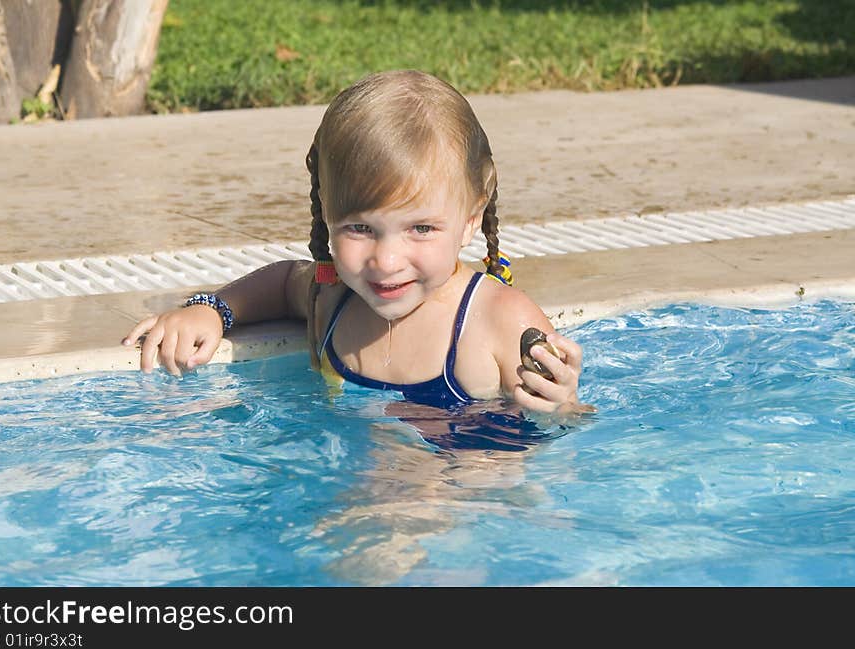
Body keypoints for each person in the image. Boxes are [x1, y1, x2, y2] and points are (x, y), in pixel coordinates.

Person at [122, 70, 592, 418]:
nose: (385, 261)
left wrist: (561, 406)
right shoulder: (335, 297)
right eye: (360, 229)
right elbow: (285, 281)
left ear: (471, 219)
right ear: (328, 212)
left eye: (421, 229)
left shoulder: (498, 321)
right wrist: (211, 309)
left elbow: (557, 442)